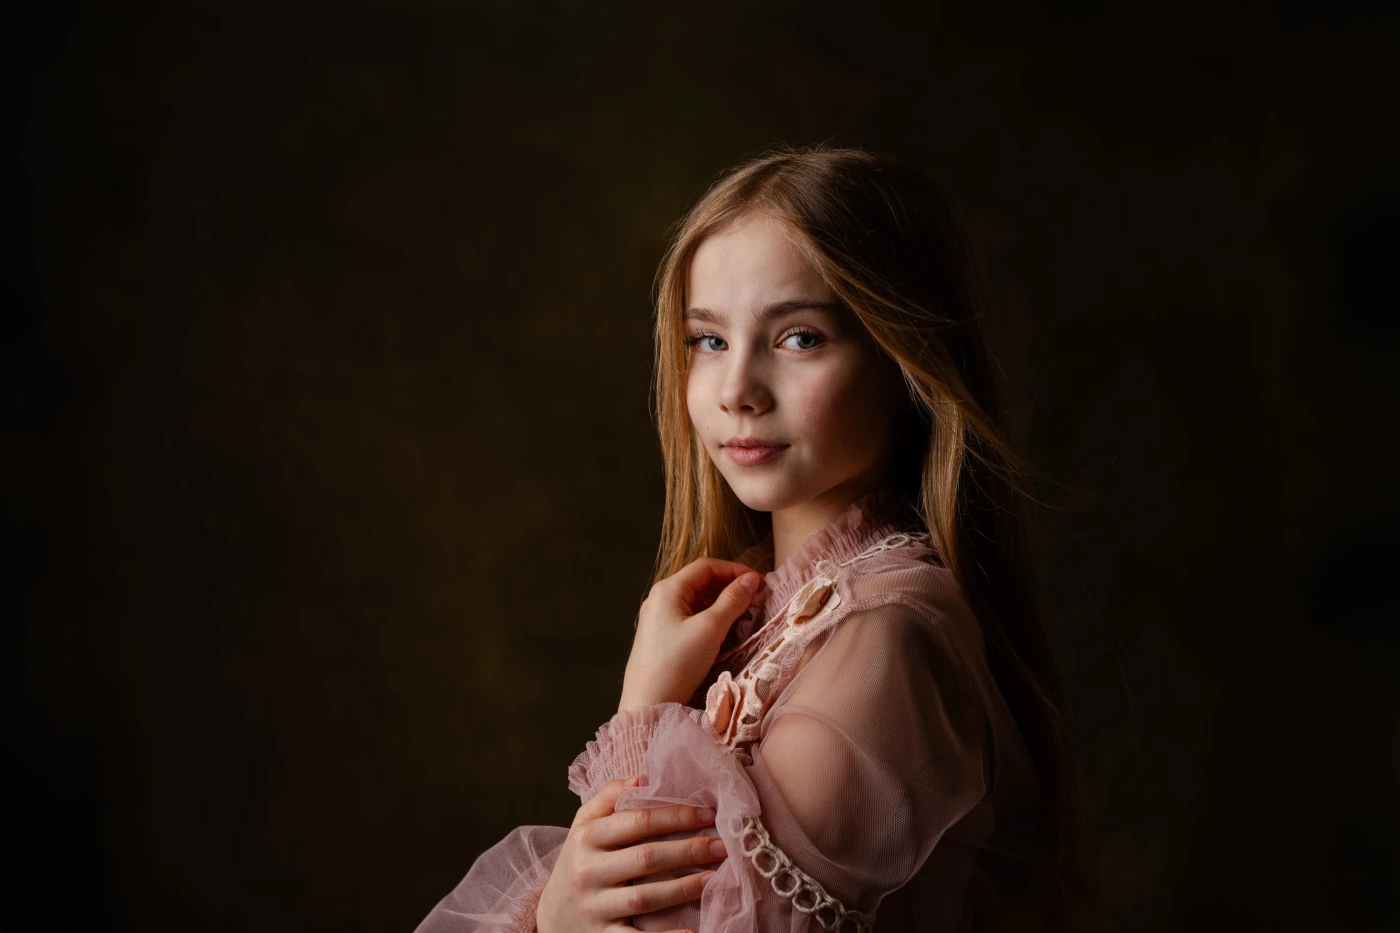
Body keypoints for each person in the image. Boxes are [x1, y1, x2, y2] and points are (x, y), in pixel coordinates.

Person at [413, 144, 1096, 932]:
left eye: (799, 337)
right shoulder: (780, 613)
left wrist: (642, 714)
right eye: (709, 340)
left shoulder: (890, 635)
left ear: (905, 357)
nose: (737, 390)